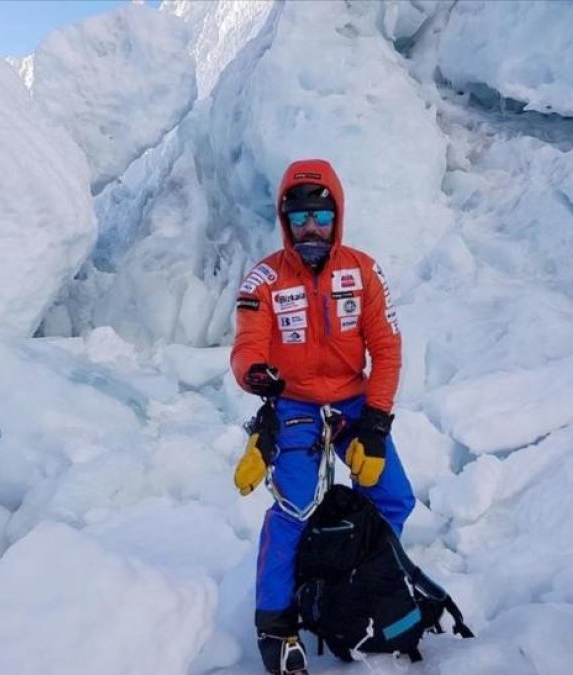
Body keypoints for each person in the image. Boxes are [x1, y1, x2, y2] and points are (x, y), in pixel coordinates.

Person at [230, 159, 415, 674]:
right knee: (293, 506)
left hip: (354, 401)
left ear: (339, 217)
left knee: (394, 497)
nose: (312, 228)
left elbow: (388, 349)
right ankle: (275, 621)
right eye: (301, 217)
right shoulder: (263, 279)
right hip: (294, 405)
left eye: (323, 217)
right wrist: (256, 377)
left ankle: (353, 585)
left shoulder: (363, 271)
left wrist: (375, 426)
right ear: (285, 221)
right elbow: (246, 346)